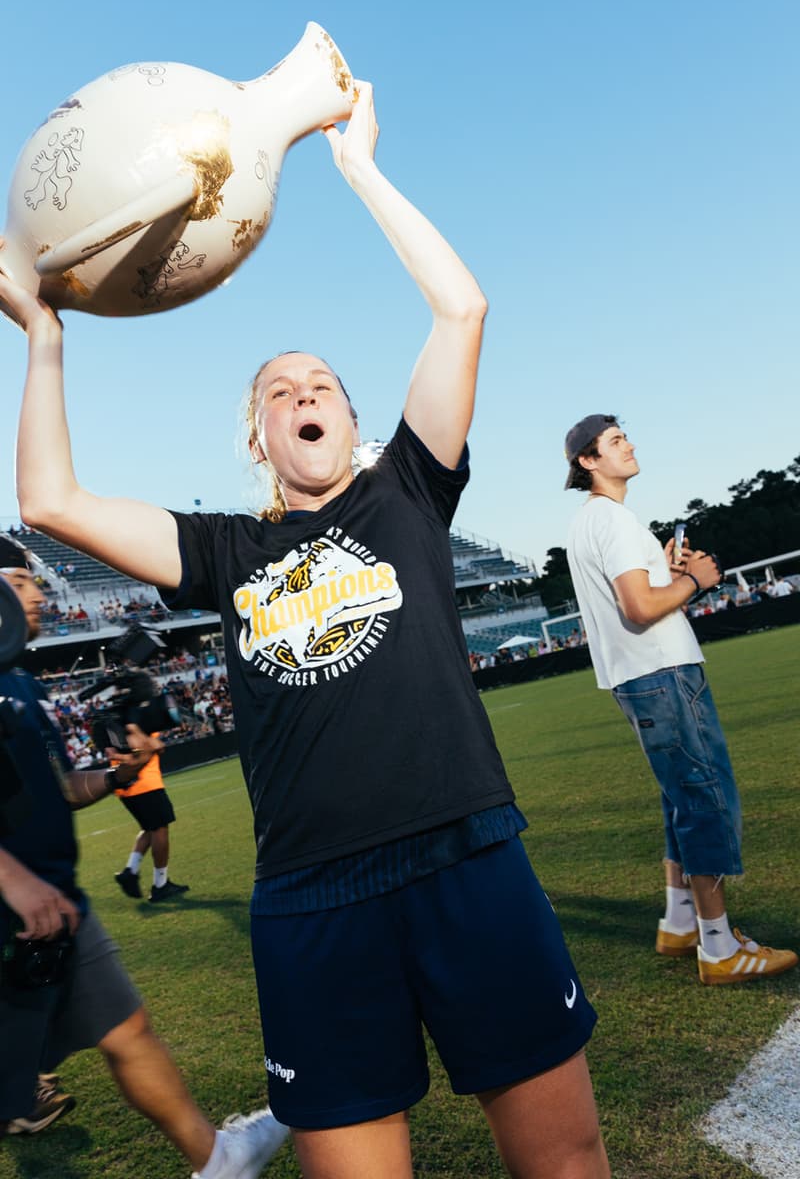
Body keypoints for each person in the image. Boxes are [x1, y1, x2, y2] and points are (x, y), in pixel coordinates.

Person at [2, 83, 609, 1179]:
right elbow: (50, 502)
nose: (302, 393)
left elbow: (460, 310)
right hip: (310, 901)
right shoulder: (226, 548)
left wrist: (360, 169)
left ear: (352, 417)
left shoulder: (407, 495)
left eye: (320, 381)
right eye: (279, 391)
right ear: (259, 434)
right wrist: (46, 337)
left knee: (562, 1164)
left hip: (463, 857)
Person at [0, 542, 289, 1174]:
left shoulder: (18, 678)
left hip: (56, 907)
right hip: (19, 907)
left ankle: (217, 1160)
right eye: (24, 580)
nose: (40, 594)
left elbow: (54, 791)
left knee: (128, 1031)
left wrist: (113, 776)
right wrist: (10, 877)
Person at [563, 414, 798, 987]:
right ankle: (718, 947)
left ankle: (680, 920)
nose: (629, 445)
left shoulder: (590, 521)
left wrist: (666, 575)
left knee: (681, 797)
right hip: (661, 672)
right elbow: (639, 608)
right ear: (589, 461)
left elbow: (637, 595)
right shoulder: (612, 520)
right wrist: (697, 580)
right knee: (704, 797)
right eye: (616, 441)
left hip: (642, 674)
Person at [113, 734, 190, 903]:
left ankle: (130, 871)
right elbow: (156, 746)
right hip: (144, 783)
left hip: (127, 785)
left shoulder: (115, 721)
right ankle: (160, 885)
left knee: (149, 828)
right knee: (160, 828)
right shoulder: (132, 720)